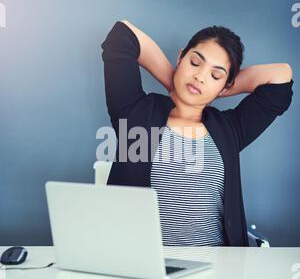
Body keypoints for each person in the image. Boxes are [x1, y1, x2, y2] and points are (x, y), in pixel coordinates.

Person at [100, 20, 294, 246]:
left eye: (215, 75)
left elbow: (281, 77)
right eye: (194, 62)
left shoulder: (230, 129)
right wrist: (173, 80)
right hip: (141, 268)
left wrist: (217, 90)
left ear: (226, 86)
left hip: (218, 270)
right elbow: (122, 35)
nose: (200, 77)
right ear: (181, 57)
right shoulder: (135, 113)